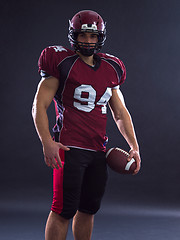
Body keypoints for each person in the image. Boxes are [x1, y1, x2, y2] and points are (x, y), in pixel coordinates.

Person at [32, 10, 141, 240]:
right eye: (83, 35)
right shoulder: (61, 61)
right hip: (69, 149)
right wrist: (47, 142)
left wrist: (134, 145)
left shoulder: (112, 67)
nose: (88, 41)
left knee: (88, 209)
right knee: (62, 211)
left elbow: (120, 112)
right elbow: (38, 106)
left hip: (98, 151)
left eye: (93, 37)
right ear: (74, 35)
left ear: (100, 37)